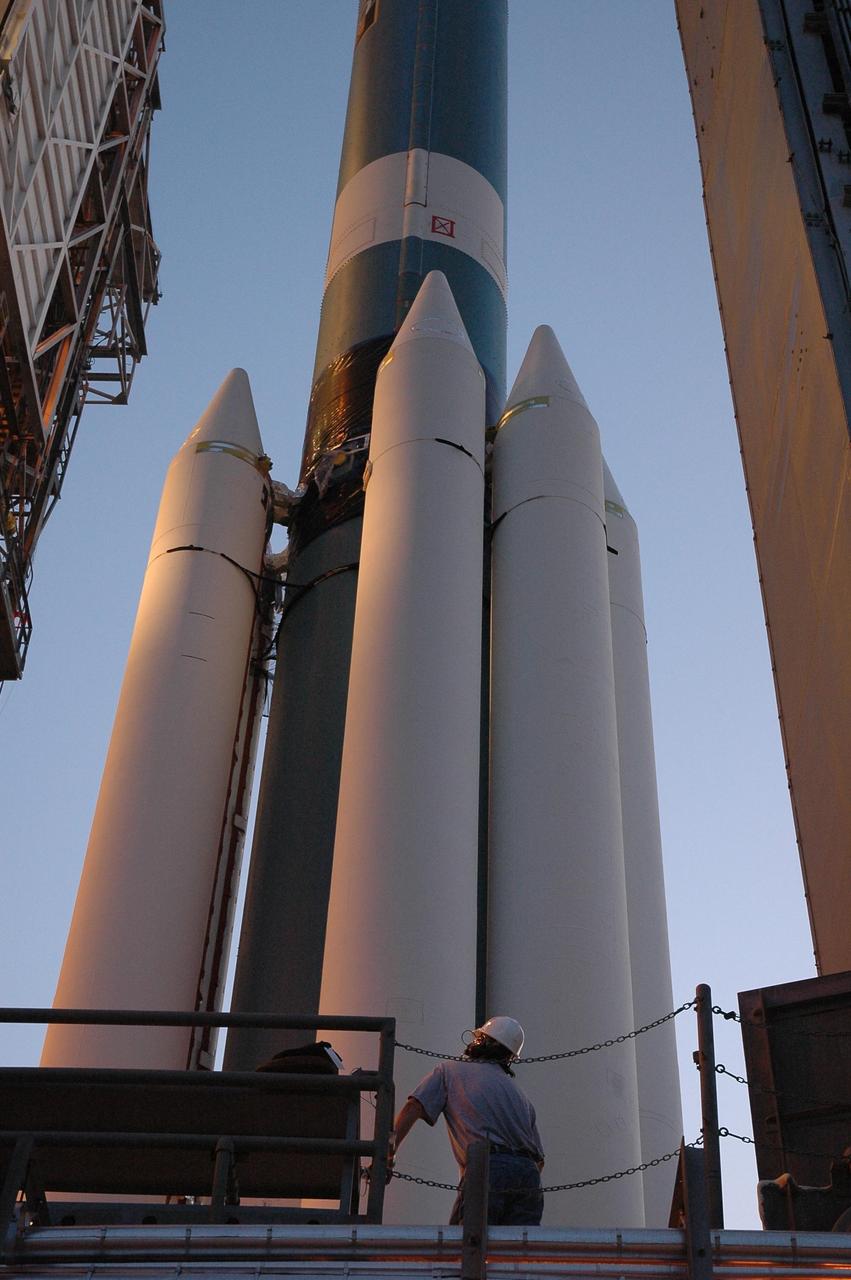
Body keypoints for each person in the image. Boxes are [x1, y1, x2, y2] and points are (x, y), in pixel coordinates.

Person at [389, 1015, 544, 1225]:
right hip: (528, 1175)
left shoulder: (450, 1071)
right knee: (517, 1252)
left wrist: (389, 1152)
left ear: (479, 1040)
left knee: (465, 1246)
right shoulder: (520, 1095)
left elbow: (414, 1106)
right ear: (509, 1057)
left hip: (489, 1167)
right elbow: (539, 1161)